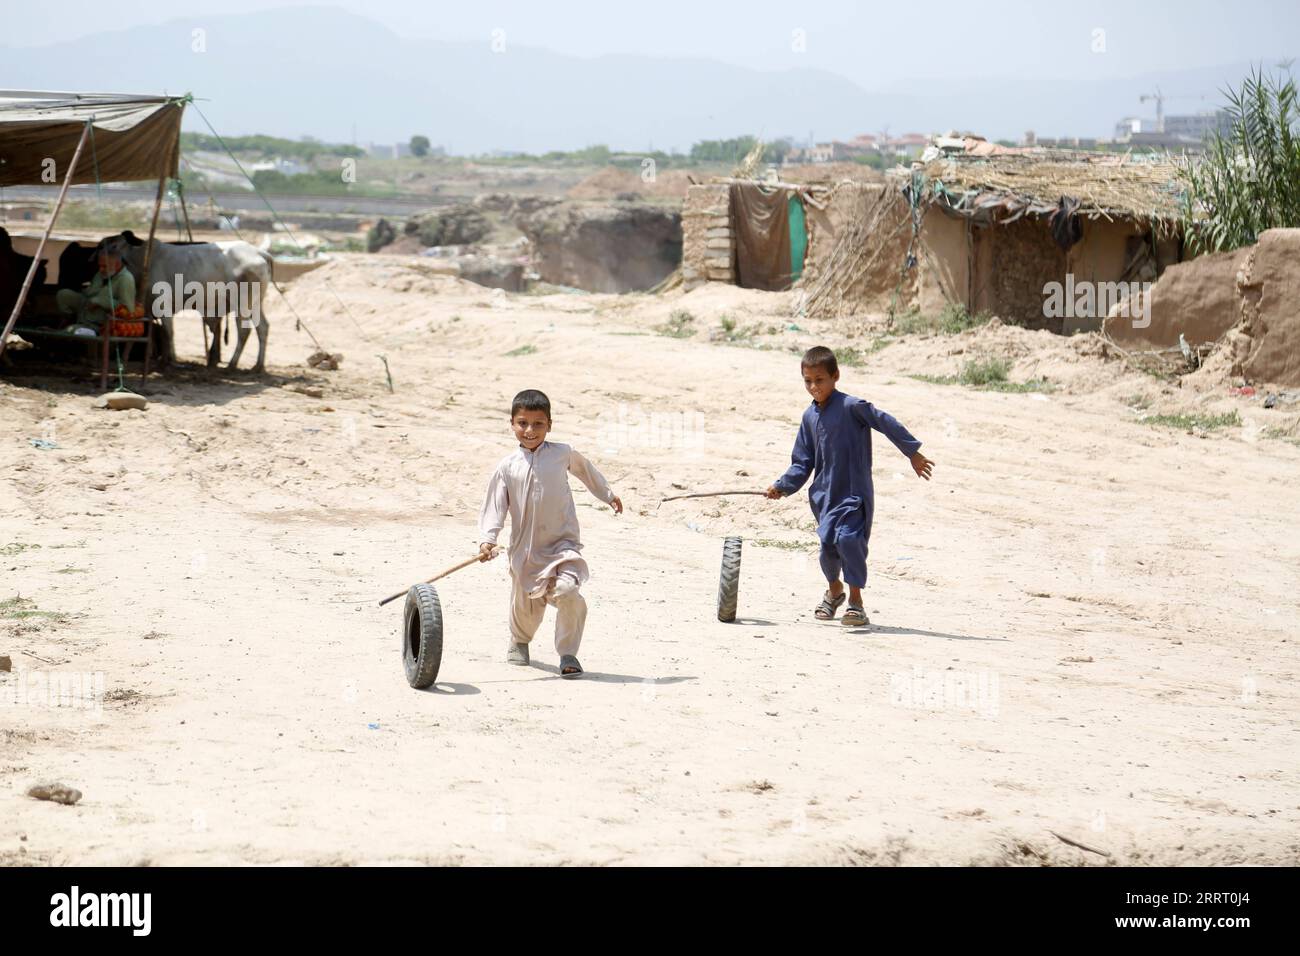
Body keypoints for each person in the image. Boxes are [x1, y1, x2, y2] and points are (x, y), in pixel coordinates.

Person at [766, 346, 934, 627]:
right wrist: (782, 486)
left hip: (854, 494)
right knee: (828, 548)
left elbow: (884, 421)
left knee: (850, 541)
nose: (813, 387)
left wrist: (912, 453)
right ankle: (834, 592)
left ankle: (856, 602)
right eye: (808, 381)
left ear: (835, 376)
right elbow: (802, 462)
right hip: (824, 496)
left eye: (820, 380)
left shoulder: (851, 407)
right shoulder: (809, 419)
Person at [478, 389, 623, 678]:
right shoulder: (507, 467)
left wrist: (607, 494)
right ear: (512, 423)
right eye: (522, 423)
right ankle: (520, 641)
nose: (530, 431)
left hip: (562, 545)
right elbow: (495, 505)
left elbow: (586, 471)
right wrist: (488, 539)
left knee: (569, 591)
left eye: (538, 424)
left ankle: (568, 653)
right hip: (526, 550)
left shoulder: (562, 453)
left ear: (549, 425)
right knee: (525, 607)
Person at [55, 245, 135, 331]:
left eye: (104, 266)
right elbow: (90, 292)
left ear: (117, 265)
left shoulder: (125, 279)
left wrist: (100, 301)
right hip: (87, 308)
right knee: (63, 295)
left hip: (100, 322)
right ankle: (69, 320)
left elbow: (128, 308)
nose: (100, 269)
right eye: (99, 266)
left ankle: (78, 328)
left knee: (71, 330)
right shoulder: (101, 274)